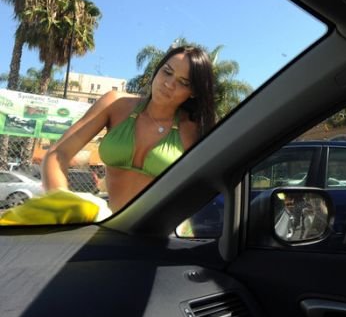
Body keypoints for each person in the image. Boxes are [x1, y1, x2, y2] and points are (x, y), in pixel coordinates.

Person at [42, 45, 216, 212]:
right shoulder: (116, 104)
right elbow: (58, 154)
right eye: (167, 72)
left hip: (162, 230)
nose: (169, 84)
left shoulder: (194, 131)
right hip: (112, 223)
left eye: (183, 82)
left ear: (193, 92)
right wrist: (63, 208)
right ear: (157, 70)